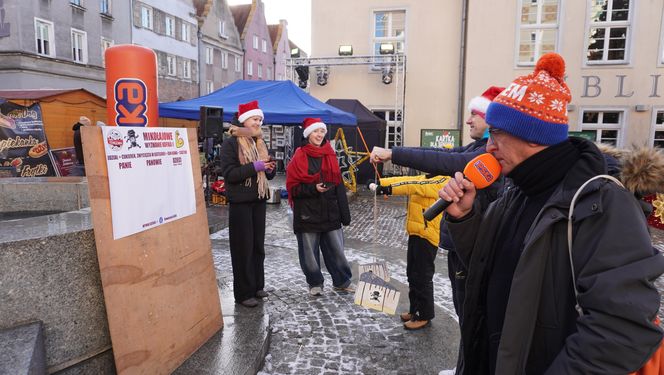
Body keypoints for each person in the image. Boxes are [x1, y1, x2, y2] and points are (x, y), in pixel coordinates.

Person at [438, 53, 664, 374]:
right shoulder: (518, 188)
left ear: (533, 134)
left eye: (497, 133)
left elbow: (621, 330)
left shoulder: (602, 201)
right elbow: (495, 267)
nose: (489, 146)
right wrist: (464, 218)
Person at [370, 86, 504, 320]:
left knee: (470, 315)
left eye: (475, 114)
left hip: (474, 246)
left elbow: (445, 161)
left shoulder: (487, 156)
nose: (469, 120)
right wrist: (393, 152)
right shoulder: (477, 148)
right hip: (460, 243)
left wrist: (392, 155)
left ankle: (424, 316)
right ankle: (418, 312)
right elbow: (438, 154)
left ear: (492, 119)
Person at [369, 174, 450, 330]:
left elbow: (413, 185)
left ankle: (424, 315)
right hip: (416, 232)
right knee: (412, 273)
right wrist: (380, 182)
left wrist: (387, 189)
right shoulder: (425, 177)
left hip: (427, 236)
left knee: (422, 276)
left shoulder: (443, 180)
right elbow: (405, 179)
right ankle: (415, 310)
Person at [286, 117, 354, 296]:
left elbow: (339, 186)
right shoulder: (299, 156)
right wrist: (313, 188)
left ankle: (342, 281)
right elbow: (293, 189)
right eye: (316, 131)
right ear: (308, 134)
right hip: (307, 213)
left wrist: (344, 215)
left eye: (322, 131)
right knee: (309, 252)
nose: (319, 135)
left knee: (337, 251)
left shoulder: (330, 154)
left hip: (330, 212)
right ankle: (315, 282)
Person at [219, 100, 276, 308]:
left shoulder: (258, 141)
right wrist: (255, 166)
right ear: (244, 120)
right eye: (255, 118)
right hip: (240, 203)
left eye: (260, 119)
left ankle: (257, 286)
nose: (258, 122)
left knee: (257, 247)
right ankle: (243, 293)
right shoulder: (231, 143)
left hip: (258, 200)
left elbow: (265, 174)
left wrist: (268, 169)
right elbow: (230, 174)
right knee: (243, 248)